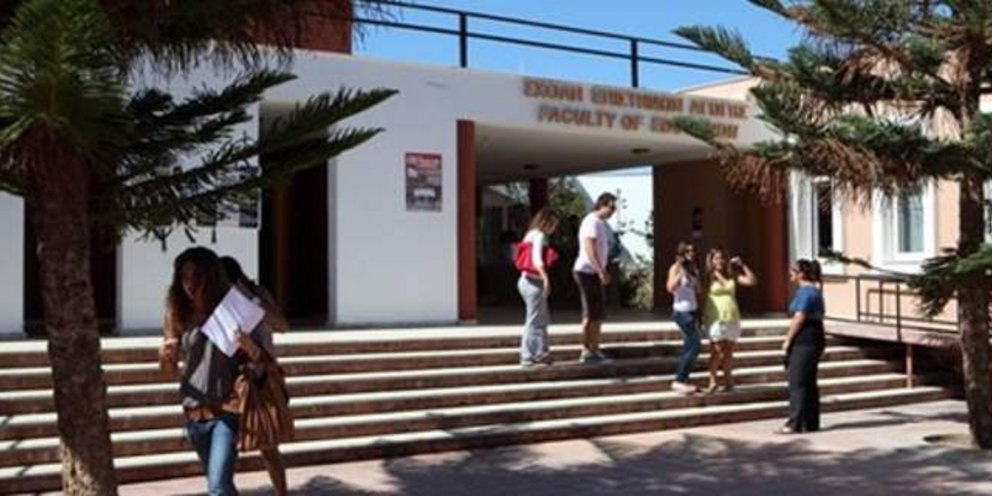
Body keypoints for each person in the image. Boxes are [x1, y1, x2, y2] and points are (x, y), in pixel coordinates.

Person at [159, 247, 245, 496]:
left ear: (212, 276)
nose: (190, 283)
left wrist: (248, 343)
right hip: (194, 412)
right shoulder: (178, 314)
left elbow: (262, 353)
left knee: (217, 487)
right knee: (221, 484)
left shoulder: (230, 311)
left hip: (226, 411)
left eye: (197, 276)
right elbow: (169, 371)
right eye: (184, 276)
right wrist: (165, 357)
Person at [219, 256, 289, 496]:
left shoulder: (257, 294)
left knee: (268, 444)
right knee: (225, 445)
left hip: (260, 378)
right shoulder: (217, 302)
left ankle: (282, 493)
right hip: (230, 380)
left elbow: (282, 325)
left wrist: (250, 300)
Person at [778, 259, 827, 434]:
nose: (790, 273)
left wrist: (787, 340)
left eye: (793, 270)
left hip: (805, 338)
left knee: (798, 381)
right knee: (809, 381)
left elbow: (799, 317)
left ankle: (795, 422)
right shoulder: (813, 290)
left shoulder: (806, 292)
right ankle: (811, 422)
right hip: (815, 336)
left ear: (801, 274)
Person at [702, 248, 757, 393]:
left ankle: (728, 380)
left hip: (732, 316)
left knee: (728, 351)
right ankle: (712, 379)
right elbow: (702, 295)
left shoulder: (732, 275)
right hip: (715, 317)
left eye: (721, 258)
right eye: (716, 258)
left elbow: (751, 281)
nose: (719, 261)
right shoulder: (708, 276)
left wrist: (742, 265)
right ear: (711, 260)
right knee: (717, 351)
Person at [572, 192, 617, 364]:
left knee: (597, 313)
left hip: (595, 272)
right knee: (590, 313)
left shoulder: (601, 223)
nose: (613, 211)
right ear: (602, 205)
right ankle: (586, 349)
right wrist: (599, 269)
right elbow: (589, 247)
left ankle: (595, 348)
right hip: (587, 272)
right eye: (611, 207)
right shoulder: (591, 221)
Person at [516, 208, 559, 367]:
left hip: (525, 280)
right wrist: (545, 278)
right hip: (534, 281)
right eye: (553, 224)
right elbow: (537, 259)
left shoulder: (530, 234)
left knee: (539, 318)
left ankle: (541, 352)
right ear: (546, 222)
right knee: (535, 320)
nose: (554, 228)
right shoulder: (540, 236)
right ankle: (528, 355)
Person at [666, 242, 701, 394]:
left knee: (688, 347)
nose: (691, 253)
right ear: (681, 254)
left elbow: (698, 291)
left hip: (693, 311)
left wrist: (695, 276)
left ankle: (683, 379)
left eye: (693, 251)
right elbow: (670, 287)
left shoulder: (693, 269)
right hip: (681, 312)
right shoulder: (675, 268)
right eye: (687, 251)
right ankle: (679, 380)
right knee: (695, 346)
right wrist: (680, 271)